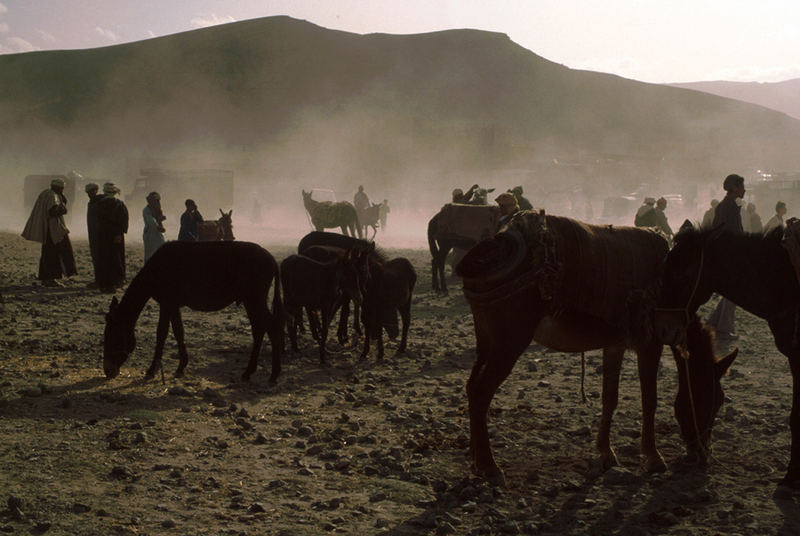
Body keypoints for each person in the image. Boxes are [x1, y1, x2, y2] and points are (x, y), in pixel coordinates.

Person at [707, 173, 745, 339]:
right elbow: (732, 233)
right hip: (730, 254)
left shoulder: (726, 205)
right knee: (734, 291)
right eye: (742, 186)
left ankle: (714, 323)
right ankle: (723, 328)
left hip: (725, 253)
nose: (744, 190)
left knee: (731, 292)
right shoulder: (729, 206)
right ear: (735, 188)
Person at [21, 177, 77, 286]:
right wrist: (63, 205)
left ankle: (46, 278)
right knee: (53, 255)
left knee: (47, 254)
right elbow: (53, 211)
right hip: (53, 231)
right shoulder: (53, 196)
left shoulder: (45, 193)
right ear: (59, 188)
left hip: (48, 230)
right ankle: (50, 279)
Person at [96, 182, 129, 292]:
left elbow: (98, 222)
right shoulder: (119, 204)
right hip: (116, 237)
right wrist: (119, 234)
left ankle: (105, 283)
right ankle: (116, 282)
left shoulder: (100, 204)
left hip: (103, 236)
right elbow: (124, 220)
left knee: (105, 259)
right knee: (116, 258)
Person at [85, 182, 104, 287]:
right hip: (93, 235)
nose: (90, 194)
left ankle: (100, 280)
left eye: (91, 191)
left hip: (99, 235)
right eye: (88, 192)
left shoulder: (100, 202)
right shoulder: (92, 202)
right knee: (96, 257)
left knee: (100, 257)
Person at [143, 191, 166, 262]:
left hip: (158, 234)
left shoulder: (157, 209)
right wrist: (158, 223)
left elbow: (160, 223)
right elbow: (151, 221)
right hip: (150, 233)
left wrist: (160, 222)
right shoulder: (146, 210)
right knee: (150, 255)